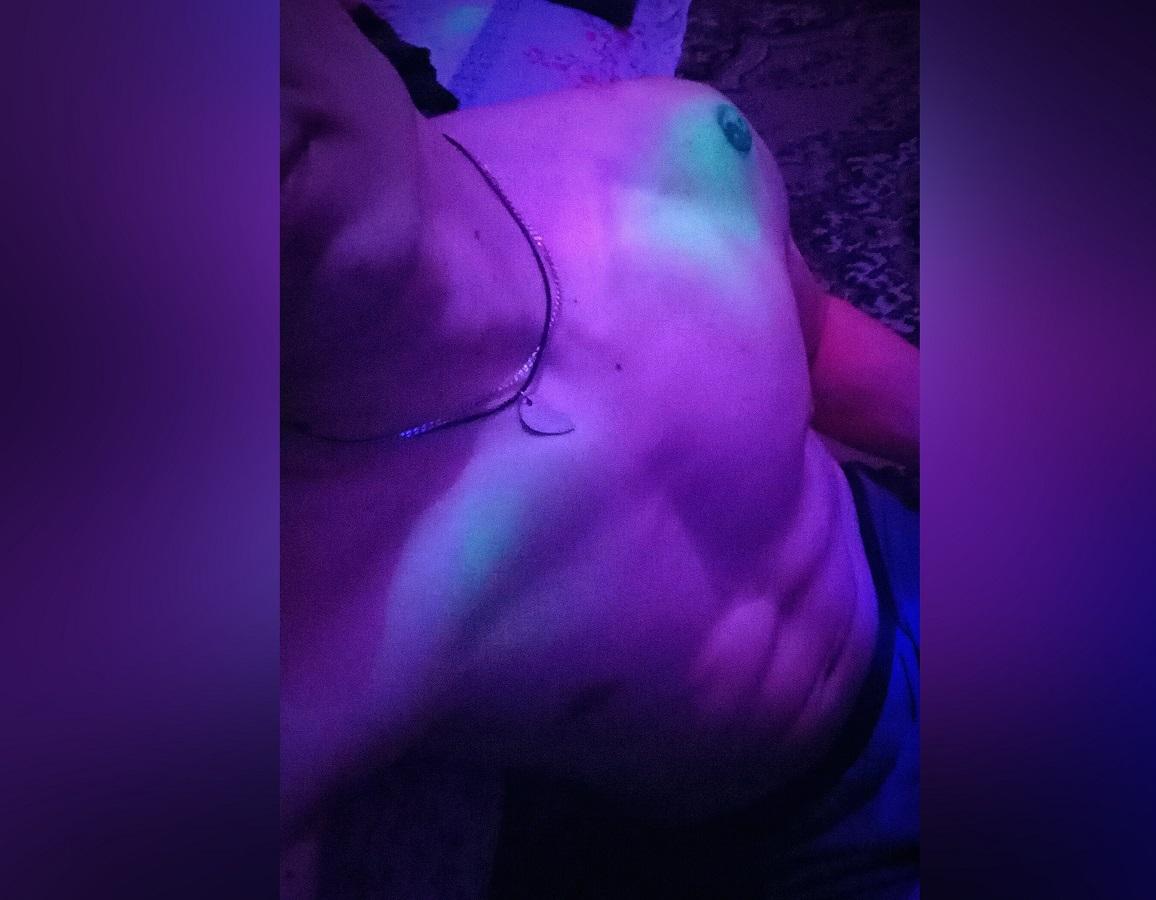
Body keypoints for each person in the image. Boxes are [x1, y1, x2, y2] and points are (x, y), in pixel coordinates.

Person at [281, 0, 919, 895]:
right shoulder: (289, 622)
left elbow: (818, 347)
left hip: (897, 556)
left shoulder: (677, 143)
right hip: (794, 836)